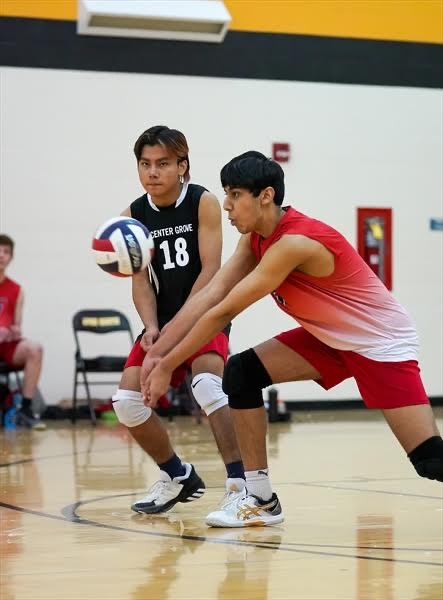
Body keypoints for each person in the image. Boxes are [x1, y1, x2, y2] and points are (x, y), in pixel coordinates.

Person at [142, 150, 443, 528]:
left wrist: (168, 365)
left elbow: (223, 311)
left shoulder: (294, 243)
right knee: (242, 374)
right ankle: (261, 499)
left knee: (430, 460)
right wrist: (158, 352)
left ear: (265, 196)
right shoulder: (255, 240)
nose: (227, 206)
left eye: (235, 195)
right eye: (226, 194)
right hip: (328, 338)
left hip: (379, 343)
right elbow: (209, 295)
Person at [113, 126, 245, 515]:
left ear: (182, 166)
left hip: (206, 313)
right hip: (163, 320)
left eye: (163, 164)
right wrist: (153, 327)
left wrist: (177, 328)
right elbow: (141, 283)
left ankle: (241, 485)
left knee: (207, 386)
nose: (153, 172)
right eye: (145, 164)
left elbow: (211, 272)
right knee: (126, 402)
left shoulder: (202, 202)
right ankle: (176, 476)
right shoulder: (132, 217)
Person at [0, 234, 45, 430]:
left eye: (6, 252)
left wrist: (13, 330)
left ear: (11, 257)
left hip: (5, 344)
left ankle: (25, 410)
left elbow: (16, 324)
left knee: (35, 349)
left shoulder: (17, 289)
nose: (1, 255)